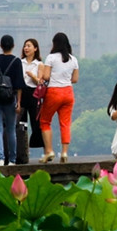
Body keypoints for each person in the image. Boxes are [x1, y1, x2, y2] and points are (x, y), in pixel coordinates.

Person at [38, 32, 79, 163]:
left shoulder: (51, 58)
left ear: (54, 43)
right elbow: (75, 79)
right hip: (68, 92)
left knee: (45, 121)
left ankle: (49, 151)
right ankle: (65, 152)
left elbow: (46, 76)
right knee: (65, 123)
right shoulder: (73, 59)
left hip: (54, 92)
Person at [0, 35, 24, 166]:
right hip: (10, 99)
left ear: (1, 46)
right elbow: (19, 84)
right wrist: (19, 102)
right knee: (11, 129)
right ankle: (12, 160)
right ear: (13, 46)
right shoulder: (16, 61)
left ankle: (0, 158)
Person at [19, 38, 45, 151]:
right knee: (21, 124)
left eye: (29, 46)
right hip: (22, 93)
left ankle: (45, 149)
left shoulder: (39, 64)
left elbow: (40, 82)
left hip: (34, 94)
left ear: (35, 48)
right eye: (25, 46)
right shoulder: (20, 62)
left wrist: (32, 76)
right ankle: (22, 151)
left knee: (36, 123)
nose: (26, 48)